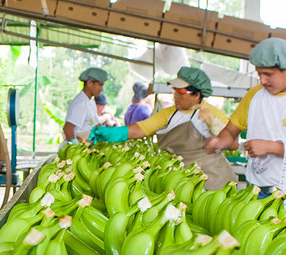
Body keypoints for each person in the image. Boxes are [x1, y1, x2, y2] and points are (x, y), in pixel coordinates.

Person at [204, 37, 286, 231]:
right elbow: (230, 131)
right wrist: (219, 141)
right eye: (259, 74)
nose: (262, 80)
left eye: (268, 74)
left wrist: (271, 147)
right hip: (257, 193)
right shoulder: (254, 95)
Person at [90, 67, 237, 189]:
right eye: (174, 91)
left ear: (197, 94)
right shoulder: (169, 113)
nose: (175, 97)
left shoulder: (212, 114)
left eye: (180, 93)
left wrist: (218, 138)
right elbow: (141, 129)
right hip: (182, 178)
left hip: (214, 179)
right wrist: (111, 133)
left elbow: (234, 143)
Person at [62, 67, 107, 144]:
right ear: (89, 83)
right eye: (100, 85)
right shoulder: (80, 103)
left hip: (86, 145)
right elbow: (67, 128)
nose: (101, 89)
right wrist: (75, 146)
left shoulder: (91, 102)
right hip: (75, 150)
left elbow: (95, 124)